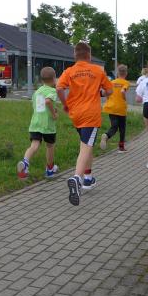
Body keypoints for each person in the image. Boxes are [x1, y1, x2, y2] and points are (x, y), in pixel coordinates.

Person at [57, 41, 113, 205]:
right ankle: (77, 178)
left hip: (76, 114)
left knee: (86, 145)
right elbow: (110, 90)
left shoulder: (69, 71)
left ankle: (88, 178)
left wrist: (65, 104)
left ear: (75, 55)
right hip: (91, 115)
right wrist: (100, 93)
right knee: (85, 148)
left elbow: (59, 88)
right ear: (89, 55)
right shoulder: (97, 70)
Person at [17, 67, 60, 179]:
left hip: (35, 123)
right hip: (47, 125)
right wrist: (54, 114)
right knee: (50, 146)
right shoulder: (52, 91)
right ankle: (50, 170)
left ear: (41, 80)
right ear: (54, 78)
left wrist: (52, 108)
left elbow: (38, 107)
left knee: (34, 145)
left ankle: (25, 163)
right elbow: (48, 101)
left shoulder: (37, 92)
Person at [100, 64, 130, 153]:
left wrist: (109, 100)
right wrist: (124, 98)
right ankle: (121, 147)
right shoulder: (126, 83)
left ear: (117, 73)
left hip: (111, 107)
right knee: (122, 128)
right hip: (120, 108)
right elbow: (123, 91)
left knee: (114, 126)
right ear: (126, 73)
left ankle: (106, 135)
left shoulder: (111, 82)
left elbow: (106, 93)